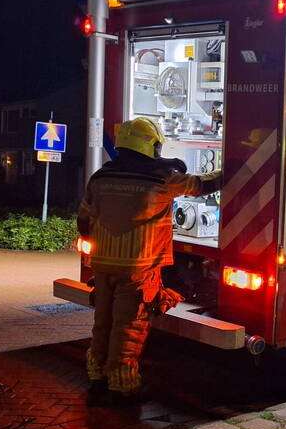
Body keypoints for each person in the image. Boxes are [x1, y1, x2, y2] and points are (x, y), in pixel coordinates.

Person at [77, 117, 222, 405]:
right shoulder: (161, 179)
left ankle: (96, 379)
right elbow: (201, 185)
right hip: (138, 268)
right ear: (149, 146)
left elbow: (84, 220)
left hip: (103, 265)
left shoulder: (100, 177)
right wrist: (231, 166)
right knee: (128, 328)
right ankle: (122, 388)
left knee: (103, 323)